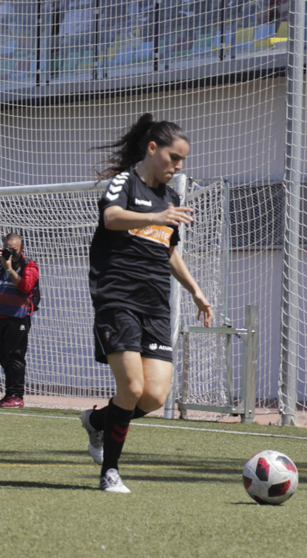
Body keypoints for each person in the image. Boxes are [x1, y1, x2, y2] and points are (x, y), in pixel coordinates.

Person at [80, 114, 212, 493]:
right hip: (117, 298)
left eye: (183, 160)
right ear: (152, 149)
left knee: (154, 396)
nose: (179, 166)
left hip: (155, 304)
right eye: (174, 157)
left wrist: (195, 290)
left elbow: (168, 250)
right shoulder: (126, 183)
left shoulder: (171, 197)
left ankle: (97, 421)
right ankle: (110, 472)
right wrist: (155, 215)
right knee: (132, 387)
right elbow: (111, 218)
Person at [0, 232, 40, 408]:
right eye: (7, 248)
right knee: (4, 357)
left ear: (22, 248)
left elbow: (26, 286)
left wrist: (9, 268)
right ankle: (9, 394)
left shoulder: (29, 265)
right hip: (0, 316)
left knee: (15, 357)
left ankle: (17, 396)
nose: (10, 252)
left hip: (18, 316)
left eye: (14, 249)